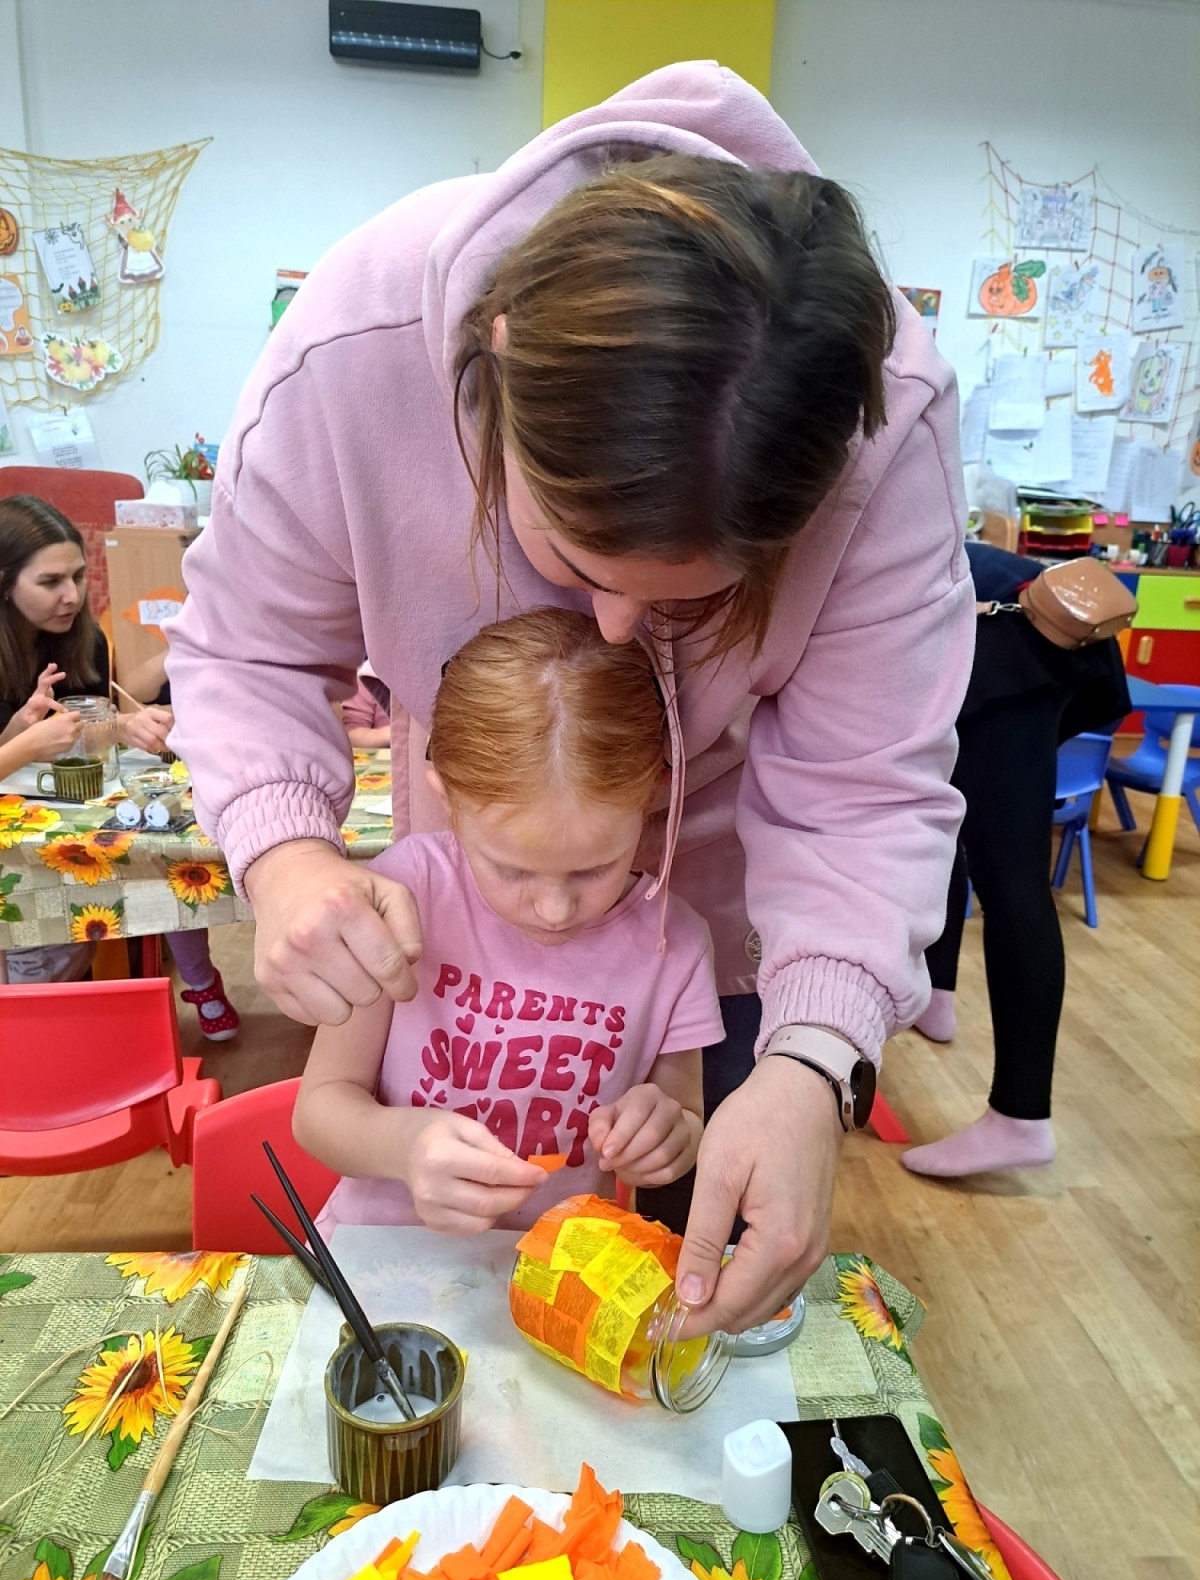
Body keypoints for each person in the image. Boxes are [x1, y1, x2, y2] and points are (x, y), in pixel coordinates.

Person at [167, 64, 975, 1334]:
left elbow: (866, 788)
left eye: (699, 596)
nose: (614, 630)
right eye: (580, 562)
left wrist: (814, 1062)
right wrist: (287, 858)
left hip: (716, 929)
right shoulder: (354, 349)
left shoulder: (888, 426)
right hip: (465, 874)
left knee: (682, 1275)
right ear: (495, 370)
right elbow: (248, 651)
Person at [295, 609, 723, 1238]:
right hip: (385, 1254)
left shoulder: (674, 943)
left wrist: (666, 1135)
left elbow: (685, 1115)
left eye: (593, 869)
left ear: (651, 796)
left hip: (560, 1269)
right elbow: (319, 1109)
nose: (554, 909)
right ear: (446, 797)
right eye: (512, 870)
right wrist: (406, 1146)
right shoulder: (403, 893)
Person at [903, 541, 1131, 1178]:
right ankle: (936, 996)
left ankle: (1020, 1120)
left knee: (1012, 882)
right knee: (950, 822)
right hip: (1009, 636)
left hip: (1015, 648)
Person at [0, 494, 238, 1033]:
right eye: (50, 581)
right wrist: (25, 742)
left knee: (162, 853)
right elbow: (31, 745)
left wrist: (124, 726)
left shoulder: (83, 640)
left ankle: (189, 984)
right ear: (4, 583)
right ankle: (44, 1031)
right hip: (17, 846)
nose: (72, 595)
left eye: (78, 576)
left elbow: (84, 728)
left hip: (66, 811)